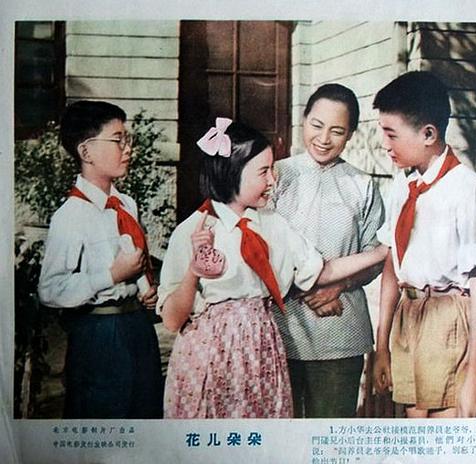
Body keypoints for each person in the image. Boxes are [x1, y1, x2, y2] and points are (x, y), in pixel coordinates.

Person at [157, 118, 387, 419]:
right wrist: (193, 271)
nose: (272, 181)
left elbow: (320, 271)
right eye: (263, 172)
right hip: (208, 356)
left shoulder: (272, 223)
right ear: (232, 172)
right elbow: (172, 320)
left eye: (272, 170)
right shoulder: (192, 231)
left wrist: (381, 251)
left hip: (261, 353)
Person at [372, 71, 476, 418]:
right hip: (408, 316)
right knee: (414, 428)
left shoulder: (467, 188)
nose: (385, 144)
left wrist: (475, 377)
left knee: (446, 427)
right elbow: (392, 265)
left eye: (391, 134)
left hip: (447, 319)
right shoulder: (403, 185)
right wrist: (382, 346)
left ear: (428, 134)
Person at [38, 100, 163, 419]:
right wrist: (112, 275)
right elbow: (50, 290)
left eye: (127, 139)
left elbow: (131, 253)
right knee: (103, 417)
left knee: (145, 415)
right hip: (99, 332)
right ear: (86, 151)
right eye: (118, 140)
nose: (128, 148)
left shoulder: (126, 205)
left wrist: (144, 289)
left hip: (137, 326)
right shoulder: (71, 215)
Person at [270, 83, 385, 418]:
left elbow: (376, 253)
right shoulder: (276, 175)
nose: (324, 139)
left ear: (350, 134)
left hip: (341, 329)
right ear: (303, 119)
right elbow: (260, 246)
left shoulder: (362, 184)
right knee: (282, 432)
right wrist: (306, 286)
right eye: (316, 125)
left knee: (331, 433)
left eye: (337, 131)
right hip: (280, 327)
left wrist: (339, 285)